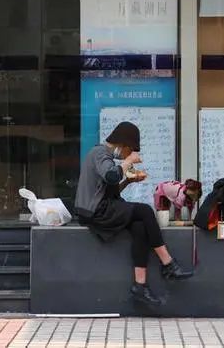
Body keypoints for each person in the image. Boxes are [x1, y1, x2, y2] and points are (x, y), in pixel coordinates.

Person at [75, 121, 193, 306]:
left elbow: (108, 189)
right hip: (95, 211)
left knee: (139, 225)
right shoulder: (100, 153)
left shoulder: (104, 157)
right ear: (123, 144)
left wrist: (128, 182)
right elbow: (111, 176)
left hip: (99, 208)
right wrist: (128, 162)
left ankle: (140, 285)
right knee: (145, 210)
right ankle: (168, 264)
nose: (128, 154)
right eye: (129, 150)